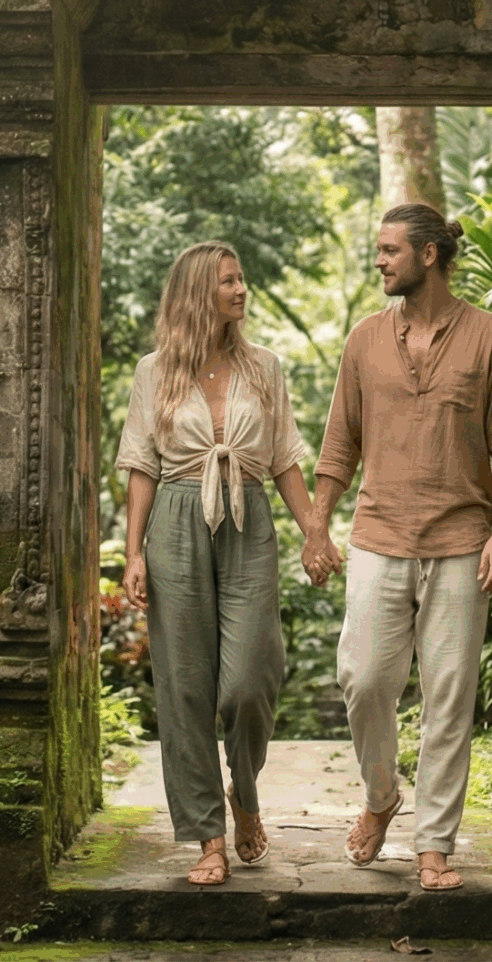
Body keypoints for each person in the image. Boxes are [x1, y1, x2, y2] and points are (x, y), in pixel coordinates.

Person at [313, 202, 492, 893]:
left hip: (464, 542)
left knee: (448, 697)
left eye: (388, 250)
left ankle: (434, 843)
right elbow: (338, 443)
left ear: (428, 255)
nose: (378, 261)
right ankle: (381, 797)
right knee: (365, 679)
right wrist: (317, 522)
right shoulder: (365, 339)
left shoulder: (491, 337)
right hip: (379, 535)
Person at [118, 241, 344, 887]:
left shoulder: (265, 368)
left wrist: (314, 533)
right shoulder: (152, 372)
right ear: (198, 293)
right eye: (228, 281)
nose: (241, 290)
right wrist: (134, 552)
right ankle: (208, 836)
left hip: (248, 519)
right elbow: (140, 464)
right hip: (177, 519)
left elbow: (283, 459)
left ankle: (243, 792)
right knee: (184, 686)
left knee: (250, 678)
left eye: (241, 278)